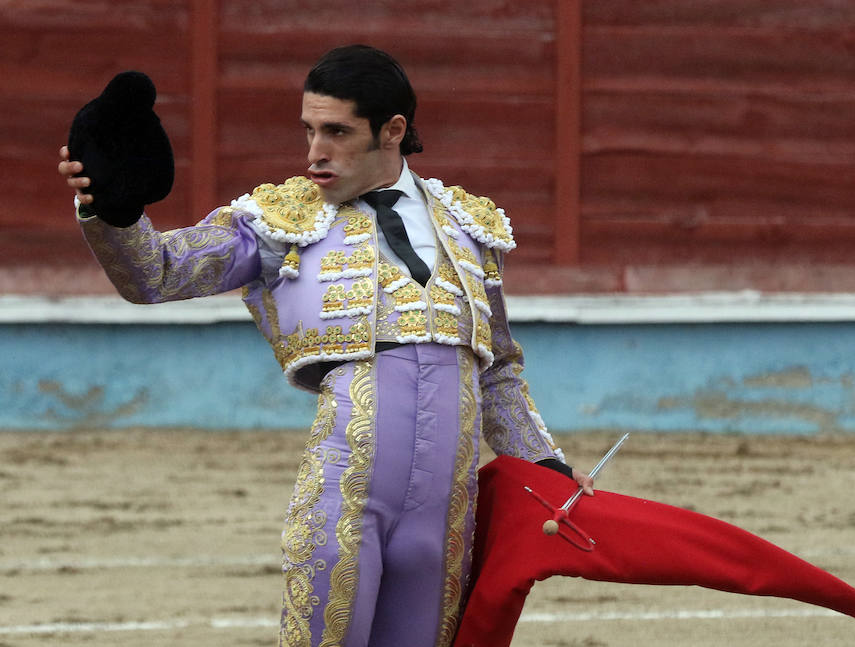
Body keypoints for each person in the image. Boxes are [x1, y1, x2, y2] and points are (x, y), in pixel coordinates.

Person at [58, 44, 593, 647]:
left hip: (446, 511)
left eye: (337, 132)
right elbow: (158, 273)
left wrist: (545, 465)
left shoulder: (468, 227)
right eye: (309, 130)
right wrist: (113, 212)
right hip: (345, 492)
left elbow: (496, 370)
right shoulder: (279, 220)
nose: (315, 152)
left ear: (392, 131)